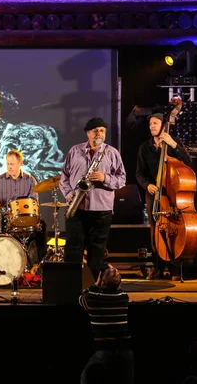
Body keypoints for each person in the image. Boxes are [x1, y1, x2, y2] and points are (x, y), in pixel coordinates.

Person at [60, 117, 126, 279]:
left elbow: (122, 180)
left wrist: (105, 178)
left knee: (97, 253)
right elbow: (64, 177)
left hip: (101, 209)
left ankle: (95, 286)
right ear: (88, 133)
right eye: (95, 130)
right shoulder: (75, 151)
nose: (99, 133)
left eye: (102, 131)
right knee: (73, 250)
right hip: (77, 207)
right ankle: (71, 286)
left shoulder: (111, 152)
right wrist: (69, 195)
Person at [135, 111, 193, 280]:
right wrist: (148, 185)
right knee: (155, 231)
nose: (152, 126)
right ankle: (157, 268)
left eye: (155, 123)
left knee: (174, 231)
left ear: (163, 125)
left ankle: (174, 268)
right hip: (154, 194)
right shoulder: (145, 148)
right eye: (150, 124)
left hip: (173, 195)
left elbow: (188, 163)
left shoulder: (173, 143)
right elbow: (139, 173)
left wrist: (173, 145)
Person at [0, 149, 47, 265]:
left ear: (20, 163)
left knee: (42, 226)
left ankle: (38, 265)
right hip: (7, 220)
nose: (9, 166)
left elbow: (33, 203)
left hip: (27, 220)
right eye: (7, 163)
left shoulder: (30, 180)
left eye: (12, 164)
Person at [79, 264, 133, 384]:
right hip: (125, 350)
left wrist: (96, 284)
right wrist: (113, 274)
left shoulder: (93, 300)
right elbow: (117, 288)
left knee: (85, 379)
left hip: (104, 350)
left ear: (101, 281)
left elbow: (81, 299)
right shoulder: (123, 298)